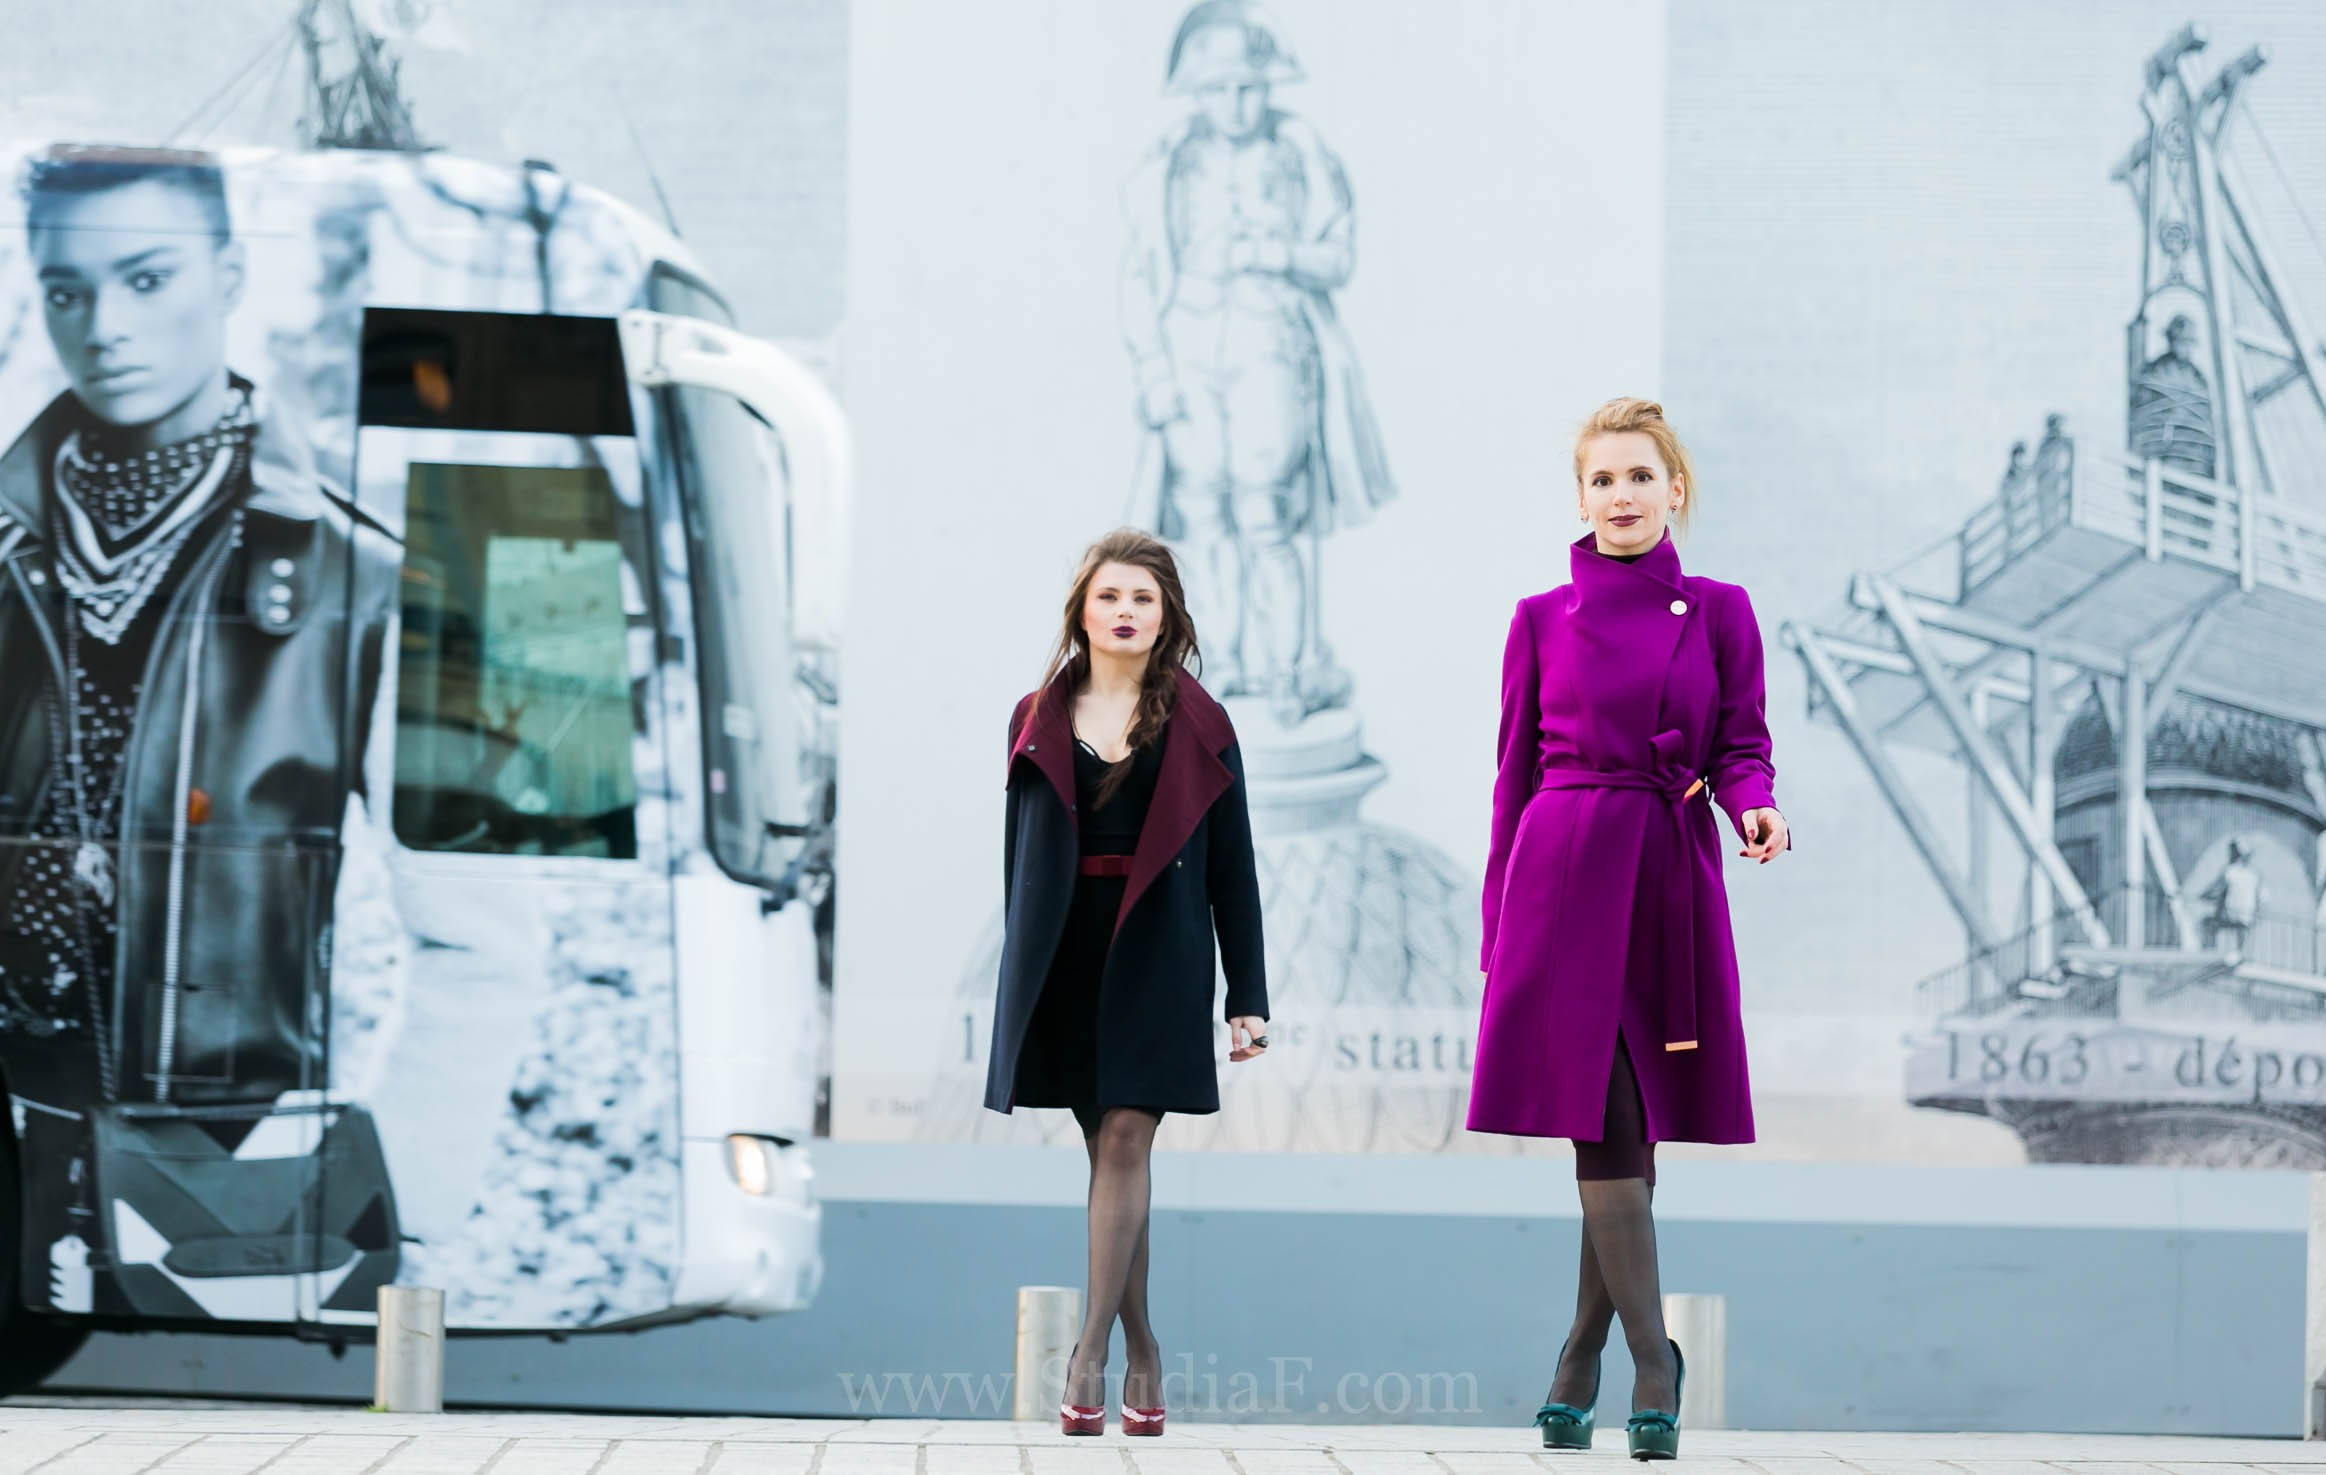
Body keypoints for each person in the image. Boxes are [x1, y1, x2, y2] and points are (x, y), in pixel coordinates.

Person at [0, 146, 397, 1312]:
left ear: (229, 274)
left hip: (226, 1131)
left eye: (147, 278)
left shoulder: (348, 572)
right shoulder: (11, 544)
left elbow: (473, 922)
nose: (103, 326)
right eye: (66, 289)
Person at [1468, 399, 1788, 1460]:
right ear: (1581, 497)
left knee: (1635, 1116)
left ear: (1675, 489)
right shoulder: (1537, 617)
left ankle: (1575, 1351)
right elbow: (1512, 780)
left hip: (1667, 869)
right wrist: (1495, 925)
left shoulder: (1723, 610)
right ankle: (1654, 1357)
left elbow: (1742, 739)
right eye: (1601, 480)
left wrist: (1754, 804)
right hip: (1559, 873)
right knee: (1599, 1111)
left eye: (1638, 477)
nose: (1620, 496)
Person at [984, 528, 1269, 1436]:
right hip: (1067, 955)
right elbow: (1017, 864)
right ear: (1083, 610)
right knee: (1108, 1157)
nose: (1125, 612)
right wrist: (1017, 983)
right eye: (1110, 596)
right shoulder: (1036, 713)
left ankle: (1090, 1351)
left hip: (1161, 951)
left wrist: (1248, 995)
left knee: (1125, 1144)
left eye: (1143, 599)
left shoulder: (1203, 722)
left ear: (1167, 616)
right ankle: (1147, 1347)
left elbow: (1236, 870)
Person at [1120, 0, 1394, 726]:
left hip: (1272, 344)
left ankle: (1287, 668)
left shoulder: (1299, 150)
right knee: (1203, 510)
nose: (1236, 104)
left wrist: (1273, 256)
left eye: (1249, 86)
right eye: (1219, 88)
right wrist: (1154, 372)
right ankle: (1221, 663)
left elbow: (1336, 255)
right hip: (1188, 350)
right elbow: (1141, 275)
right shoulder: (1166, 165)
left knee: (1266, 510)